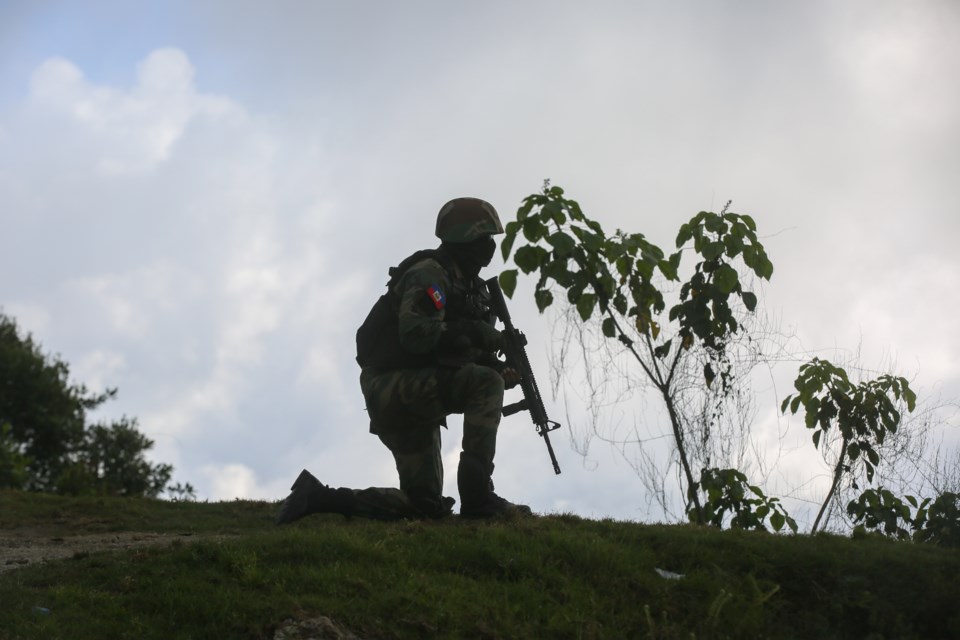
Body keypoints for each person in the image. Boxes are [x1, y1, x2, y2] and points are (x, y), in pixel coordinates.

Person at [276, 197, 532, 524]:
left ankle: (318, 497)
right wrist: (479, 338)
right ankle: (478, 496)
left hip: (412, 389)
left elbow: (462, 353)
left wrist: (498, 368)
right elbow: (416, 335)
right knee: (486, 384)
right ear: (465, 239)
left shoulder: (469, 289)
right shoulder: (429, 275)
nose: (489, 247)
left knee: (423, 507)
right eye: (484, 239)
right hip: (390, 386)